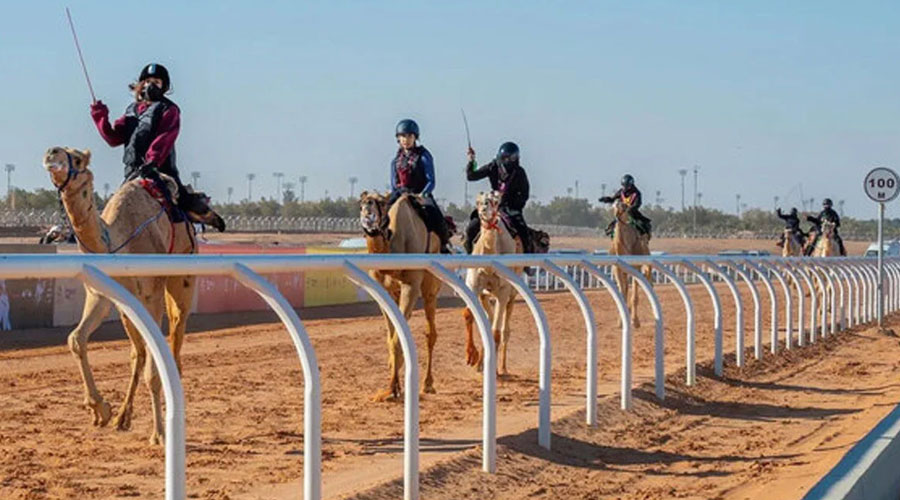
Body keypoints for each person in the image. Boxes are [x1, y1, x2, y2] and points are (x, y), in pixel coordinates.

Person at [89, 63, 223, 230]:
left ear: (164, 87)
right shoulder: (132, 110)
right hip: (132, 174)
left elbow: (165, 137)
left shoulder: (169, 109)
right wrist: (99, 115)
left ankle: (202, 218)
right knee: (115, 210)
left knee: (180, 206)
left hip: (159, 172)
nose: (150, 85)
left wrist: (152, 161)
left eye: (156, 82)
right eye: (147, 81)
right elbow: (113, 138)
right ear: (140, 84)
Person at [388, 119, 452, 253]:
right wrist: (396, 194)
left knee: (435, 215)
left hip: (420, 193)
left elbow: (431, 180)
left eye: (410, 136)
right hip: (401, 193)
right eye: (403, 136)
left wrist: (423, 194)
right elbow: (394, 183)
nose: (406, 139)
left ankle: (444, 243)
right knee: (384, 212)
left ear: (415, 138)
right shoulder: (395, 160)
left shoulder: (424, 156)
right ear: (398, 138)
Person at [464, 142, 532, 254]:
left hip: (511, 207)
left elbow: (524, 194)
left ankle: (526, 260)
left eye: (509, 158)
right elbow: (471, 176)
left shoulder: (519, 172)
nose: (506, 161)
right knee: (472, 226)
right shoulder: (493, 167)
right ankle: (470, 255)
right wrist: (471, 161)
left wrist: (513, 204)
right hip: (493, 205)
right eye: (503, 158)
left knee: (523, 230)